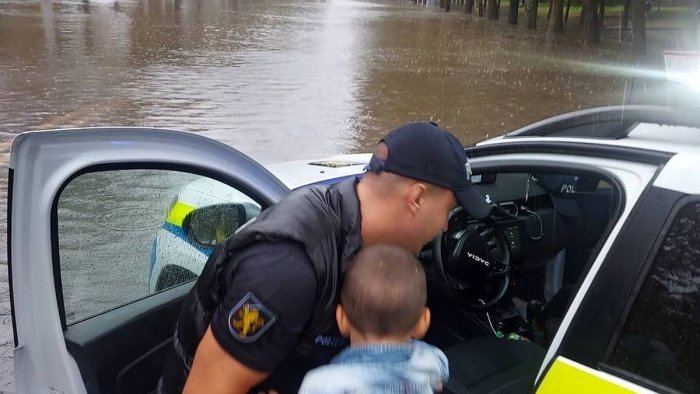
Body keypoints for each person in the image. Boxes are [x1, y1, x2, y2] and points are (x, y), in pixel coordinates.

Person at [158, 121, 490, 394]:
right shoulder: (285, 270)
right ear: (416, 198)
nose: (447, 225)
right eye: (449, 210)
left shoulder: (358, 218)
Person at [298, 244, 449, 393]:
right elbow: (439, 383)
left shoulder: (321, 384)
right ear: (423, 321)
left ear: (342, 319)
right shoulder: (432, 360)